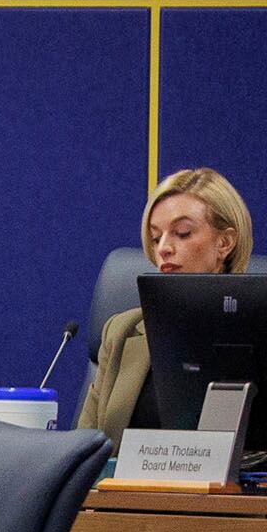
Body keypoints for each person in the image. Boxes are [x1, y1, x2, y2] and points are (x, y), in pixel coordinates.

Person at [81, 167, 249, 440]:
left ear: (225, 242)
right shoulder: (123, 331)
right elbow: (82, 449)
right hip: (125, 483)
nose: (163, 248)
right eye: (156, 237)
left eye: (182, 233)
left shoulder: (266, 332)